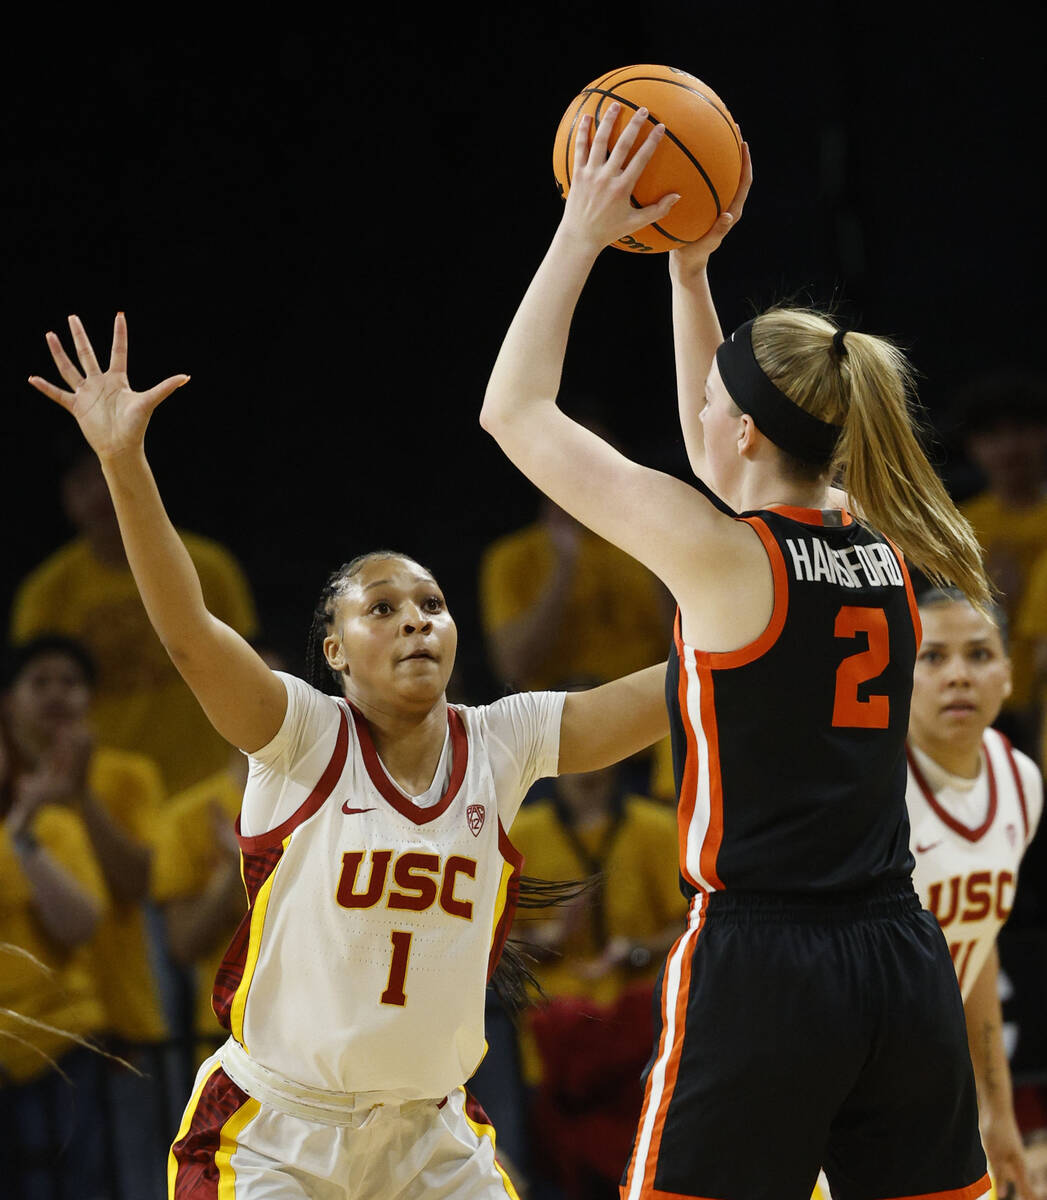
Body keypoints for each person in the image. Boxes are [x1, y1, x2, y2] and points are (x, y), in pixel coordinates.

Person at [27, 313, 671, 1200]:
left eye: (432, 604)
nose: (415, 618)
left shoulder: (502, 738)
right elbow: (184, 631)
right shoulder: (301, 733)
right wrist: (122, 463)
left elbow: (673, 691)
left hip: (434, 1133)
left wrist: (759, 612)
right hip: (278, 1133)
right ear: (332, 651)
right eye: (382, 607)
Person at [480, 104, 993, 1199]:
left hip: (768, 965)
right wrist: (685, 274)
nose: (697, 407)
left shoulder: (723, 559)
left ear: (748, 431)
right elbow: (727, 456)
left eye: (713, 400)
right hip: (899, 957)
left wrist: (580, 232)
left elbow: (513, 411)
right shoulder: (876, 535)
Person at [813, 586, 1042, 1198]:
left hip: (928, 1086)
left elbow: (978, 949)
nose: (959, 676)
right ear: (896, 675)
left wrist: (998, 1110)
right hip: (829, 1084)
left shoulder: (1020, 780)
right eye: (933, 657)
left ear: (1008, 674)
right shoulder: (866, 785)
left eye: (979, 655)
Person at [1, 633, 171, 1198]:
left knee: (132, 1182)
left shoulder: (127, 775)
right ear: (9, 701)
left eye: (71, 683)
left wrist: (80, 796)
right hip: (26, 1041)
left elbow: (140, 882)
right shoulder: (6, 787)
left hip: (115, 1020)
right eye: (39, 682)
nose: (56, 695)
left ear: (92, 699)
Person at [10, 440, 259, 795]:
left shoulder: (208, 567)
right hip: (103, 790)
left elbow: (253, 670)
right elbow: (29, 707)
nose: (98, 493)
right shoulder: (46, 592)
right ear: (65, 495)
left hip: (207, 781)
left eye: (108, 477)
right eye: (83, 481)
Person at [509, 747, 686, 1199]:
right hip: (548, 1038)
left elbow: (695, 923)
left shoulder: (657, 827)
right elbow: (484, 941)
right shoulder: (520, 832)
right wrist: (546, 939)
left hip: (641, 1033)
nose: (588, 759)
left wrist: (637, 952)